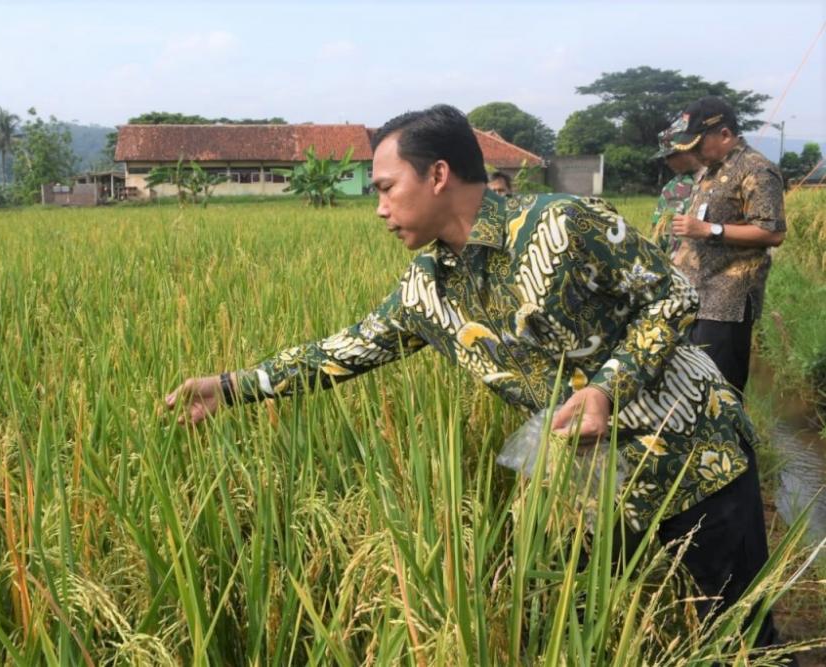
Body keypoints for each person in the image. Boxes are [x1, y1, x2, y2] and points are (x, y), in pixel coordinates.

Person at [166, 104, 782, 649]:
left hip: (691, 454)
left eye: (387, 188)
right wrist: (230, 387)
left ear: (438, 174)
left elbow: (672, 295)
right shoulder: (428, 289)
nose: (379, 209)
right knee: (583, 620)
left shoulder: (562, 224)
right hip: (592, 477)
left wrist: (606, 387)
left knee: (739, 629)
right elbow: (346, 350)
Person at [669, 96, 786, 396]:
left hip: (726, 304)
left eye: (698, 144)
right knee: (692, 392)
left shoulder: (756, 169)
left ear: (724, 134)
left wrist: (709, 229)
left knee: (720, 395)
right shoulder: (710, 170)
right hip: (697, 297)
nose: (694, 152)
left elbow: (772, 232)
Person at [650, 117, 702, 257]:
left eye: (670, 156)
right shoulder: (671, 189)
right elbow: (659, 236)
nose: (667, 162)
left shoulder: (720, 178)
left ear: (688, 148)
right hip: (677, 265)